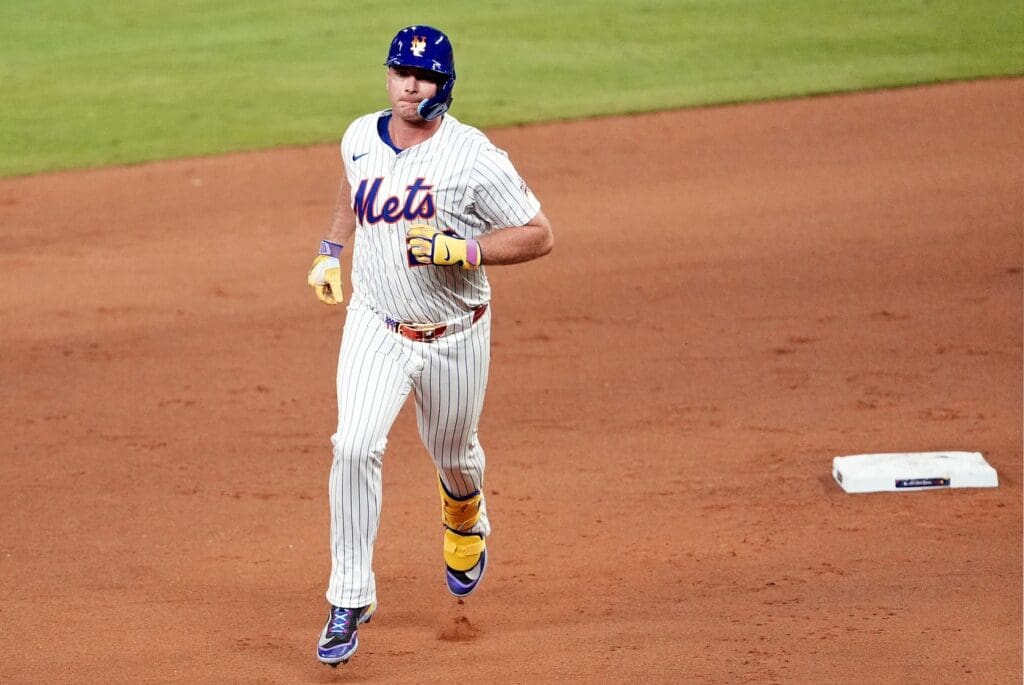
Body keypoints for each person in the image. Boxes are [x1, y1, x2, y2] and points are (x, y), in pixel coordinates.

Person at [307, 24, 553, 666]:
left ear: (444, 86)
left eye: (423, 77)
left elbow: (538, 234)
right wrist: (332, 250)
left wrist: (463, 248)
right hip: (375, 324)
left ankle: (464, 514)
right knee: (354, 443)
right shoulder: (361, 134)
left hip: (455, 334)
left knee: (455, 453)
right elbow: (352, 187)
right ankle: (349, 596)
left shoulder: (473, 157)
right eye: (399, 72)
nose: (408, 85)